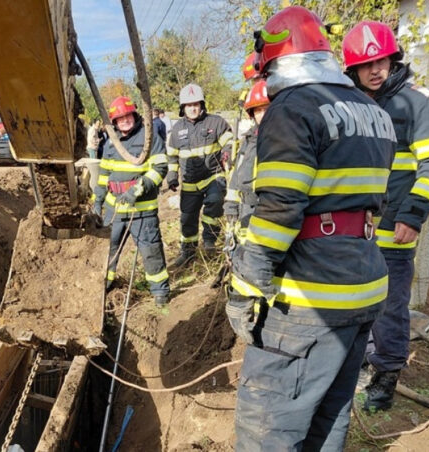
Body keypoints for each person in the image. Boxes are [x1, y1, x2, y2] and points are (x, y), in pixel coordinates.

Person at [227, 6, 396, 450]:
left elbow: (280, 207)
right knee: (328, 421)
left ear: (274, 63)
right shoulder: (370, 108)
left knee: (269, 428)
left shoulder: (292, 108)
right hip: (364, 287)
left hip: (309, 300)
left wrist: (246, 286)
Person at [342, 20, 429, 412]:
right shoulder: (352, 105)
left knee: (390, 309)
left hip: (394, 229)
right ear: (352, 70)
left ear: (394, 60)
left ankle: (386, 377)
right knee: (357, 304)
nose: (375, 70)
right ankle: (362, 362)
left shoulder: (419, 103)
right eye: (366, 64)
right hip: (354, 230)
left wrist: (413, 215)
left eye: (383, 61)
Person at [92, 96, 171, 307]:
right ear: (114, 122)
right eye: (119, 118)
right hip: (114, 210)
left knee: (150, 250)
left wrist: (137, 190)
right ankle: (104, 286)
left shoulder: (149, 138)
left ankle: (160, 292)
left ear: (134, 115)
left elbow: (160, 169)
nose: (124, 120)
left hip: (141, 210)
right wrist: (97, 201)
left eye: (127, 116)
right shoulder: (111, 143)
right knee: (107, 250)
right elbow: (103, 175)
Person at [166, 83, 234, 269]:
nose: (193, 108)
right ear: (183, 108)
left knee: (214, 201)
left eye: (196, 104)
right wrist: (172, 176)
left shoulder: (216, 122)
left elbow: (229, 142)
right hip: (189, 183)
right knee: (187, 218)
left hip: (213, 176)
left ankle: (210, 242)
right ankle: (188, 252)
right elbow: (171, 156)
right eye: (189, 105)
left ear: (202, 104)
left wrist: (227, 155)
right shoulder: (176, 131)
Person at [224, 79, 269, 260]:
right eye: (258, 110)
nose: (262, 114)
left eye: (267, 108)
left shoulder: (284, 138)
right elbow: (237, 177)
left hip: (268, 210)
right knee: (243, 253)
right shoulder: (249, 140)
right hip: (245, 210)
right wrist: (231, 209)